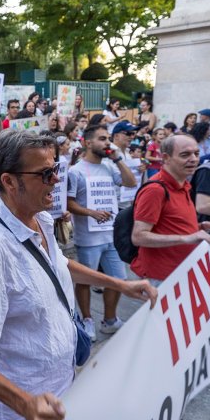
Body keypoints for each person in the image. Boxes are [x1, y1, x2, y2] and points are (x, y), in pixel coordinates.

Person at [0, 130, 156, 420]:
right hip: (19, 419)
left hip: (57, 393)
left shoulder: (39, 218)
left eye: (56, 167)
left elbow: (59, 264)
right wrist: (27, 404)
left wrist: (121, 284)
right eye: (46, 174)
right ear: (10, 182)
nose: (57, 179)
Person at [131, 134, 210, 284]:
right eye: (185, 155)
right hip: (160, 279)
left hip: (181, 272)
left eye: (196, 154)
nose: (194, 159)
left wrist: (202, 227)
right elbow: (138, 237)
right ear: (166, 158)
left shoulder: (184, 184)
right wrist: (185, 238)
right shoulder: (155, 190)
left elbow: (171, 226)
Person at [66, 124, 136, 336]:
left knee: (118, 279)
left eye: (108, 139)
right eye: (102, 139)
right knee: (86, 280)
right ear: (88, 143)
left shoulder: (109, 166)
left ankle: (110, 319)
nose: (108, 143)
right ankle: (87, 320)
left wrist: (116, 158)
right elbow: (68, 203)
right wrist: (91, 212)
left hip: (110, 235)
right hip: (88, 238)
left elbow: (131, 183)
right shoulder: (75, 171)